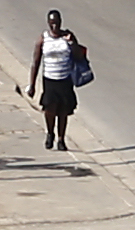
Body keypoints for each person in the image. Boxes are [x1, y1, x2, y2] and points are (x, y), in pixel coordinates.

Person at [21, 9, 87, 151]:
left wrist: (72, 43)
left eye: (57, 23)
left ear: (60, 22)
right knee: (49, 109)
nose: (54, 27)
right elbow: (36, 62)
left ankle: (61, 139)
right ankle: (50, 133)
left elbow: (79, 56)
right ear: (48, 23)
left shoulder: (68, 36)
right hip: (50, 80)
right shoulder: (43, 39)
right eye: (52, 24)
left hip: (65, 79)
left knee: (63, 111)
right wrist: (31, 84)